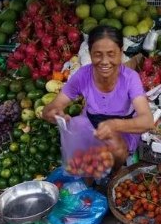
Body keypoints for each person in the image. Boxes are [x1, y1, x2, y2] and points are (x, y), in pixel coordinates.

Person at [42, 25, 154, 171]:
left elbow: (147, 121)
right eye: (98, 54)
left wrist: (114, 125)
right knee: (76, 136)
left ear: (120, 53)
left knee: (115, 148)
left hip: (123, 129)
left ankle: (113, 175)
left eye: (111, 54)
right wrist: (52, 113)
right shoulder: (83, 75)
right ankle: (87, 182)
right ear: (90, 53)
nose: (105, 61)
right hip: (92, 124)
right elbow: (53, 106)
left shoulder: (129, 78)